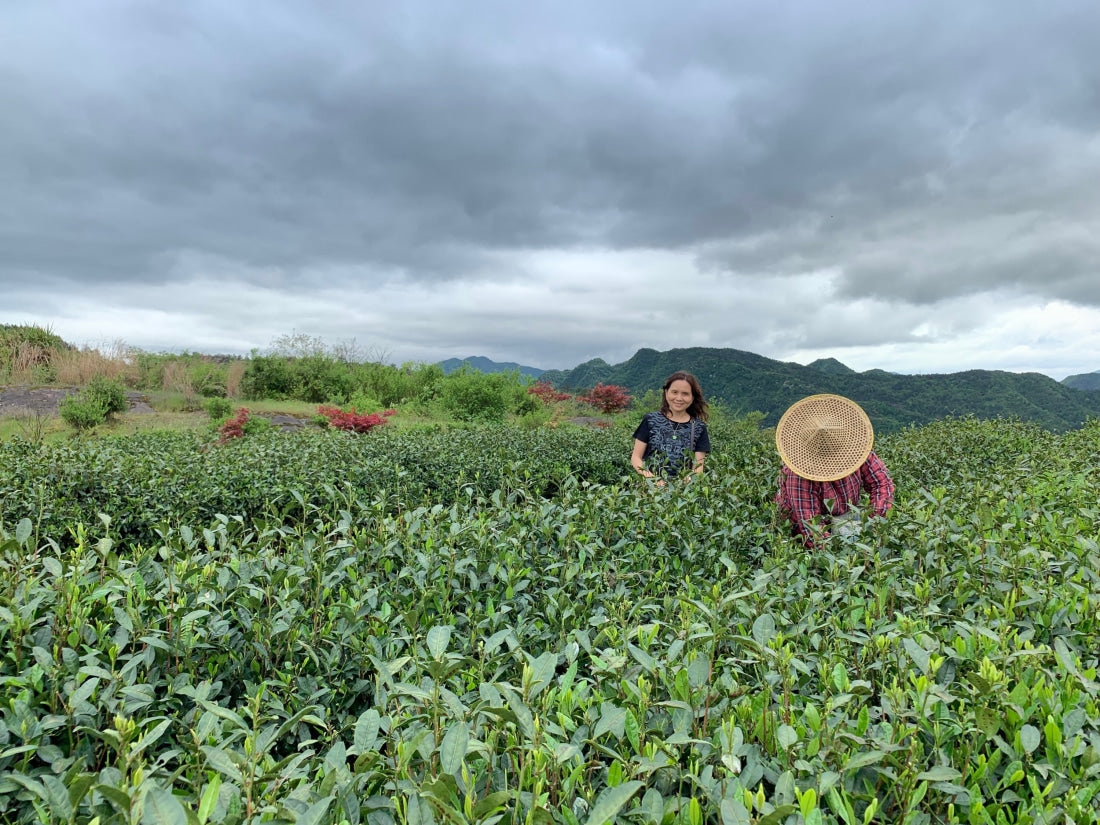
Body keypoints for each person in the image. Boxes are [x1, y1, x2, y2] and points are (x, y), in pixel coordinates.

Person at [774, 393, 894, 546]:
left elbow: (881, 484)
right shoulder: (798, 474)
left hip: (843, 513)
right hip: (799, 524)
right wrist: (842, 557)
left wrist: (873, 525)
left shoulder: (857, 448)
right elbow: (812, 529)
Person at [631, 372, 711, 482]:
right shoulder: (650, 420)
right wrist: (652, 480)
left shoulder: (699, 427)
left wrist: (689, 481)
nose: (679, 398)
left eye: (685, 394)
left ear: (692, 397)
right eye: (674, 392)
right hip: (650, 492)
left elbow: (698, 468)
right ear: (666, 392)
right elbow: (636, 458)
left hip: (682, 494)